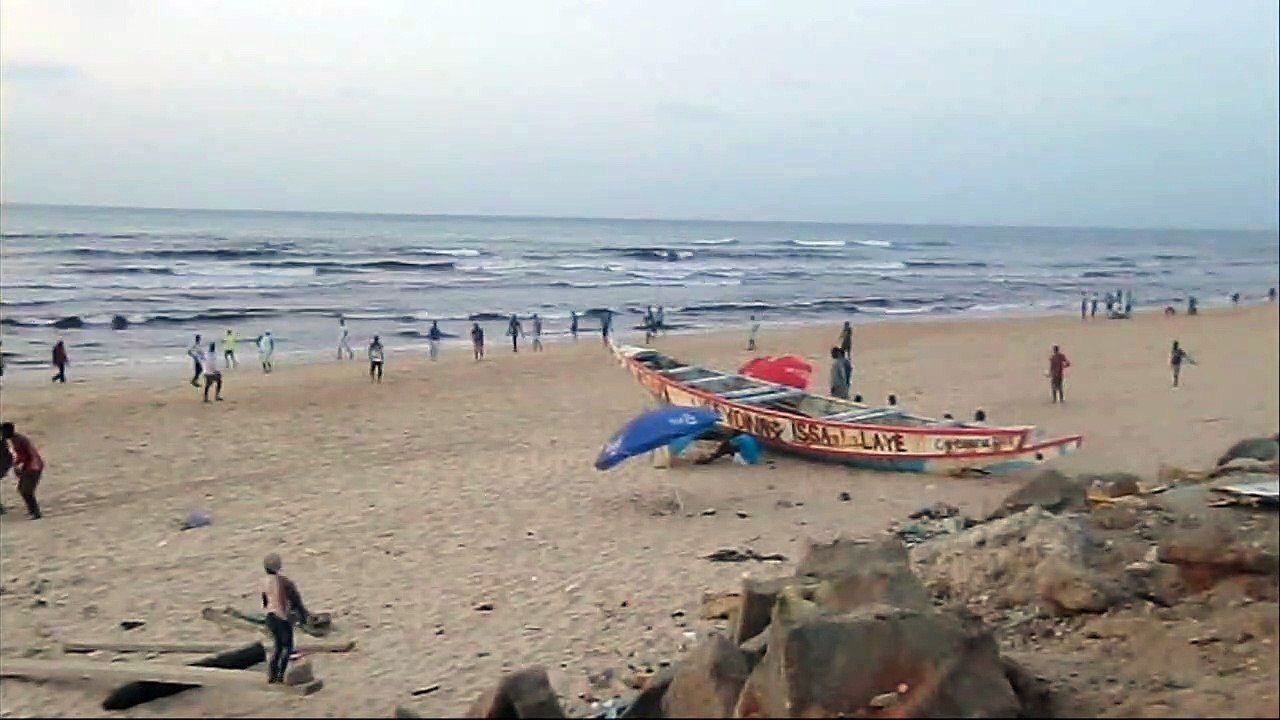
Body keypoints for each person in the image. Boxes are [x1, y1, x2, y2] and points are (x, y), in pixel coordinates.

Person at [261, 553, 309, 684]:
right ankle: (281, 674)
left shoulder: (265, 582)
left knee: (277, 646)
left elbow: (265, 601)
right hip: (282, 617)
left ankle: (271, 675)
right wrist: (303, 615)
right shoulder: (284, 582)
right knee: (287, 646)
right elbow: (296, 600)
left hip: (270, 617)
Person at [2, 422, 44, 519]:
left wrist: (19, 466)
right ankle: (32, 511)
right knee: (23, 490)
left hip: (33, 467)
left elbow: (27, 455)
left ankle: (36, 513)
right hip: (29, 466)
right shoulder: (15, 439)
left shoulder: (18, 440)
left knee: (26, 490)